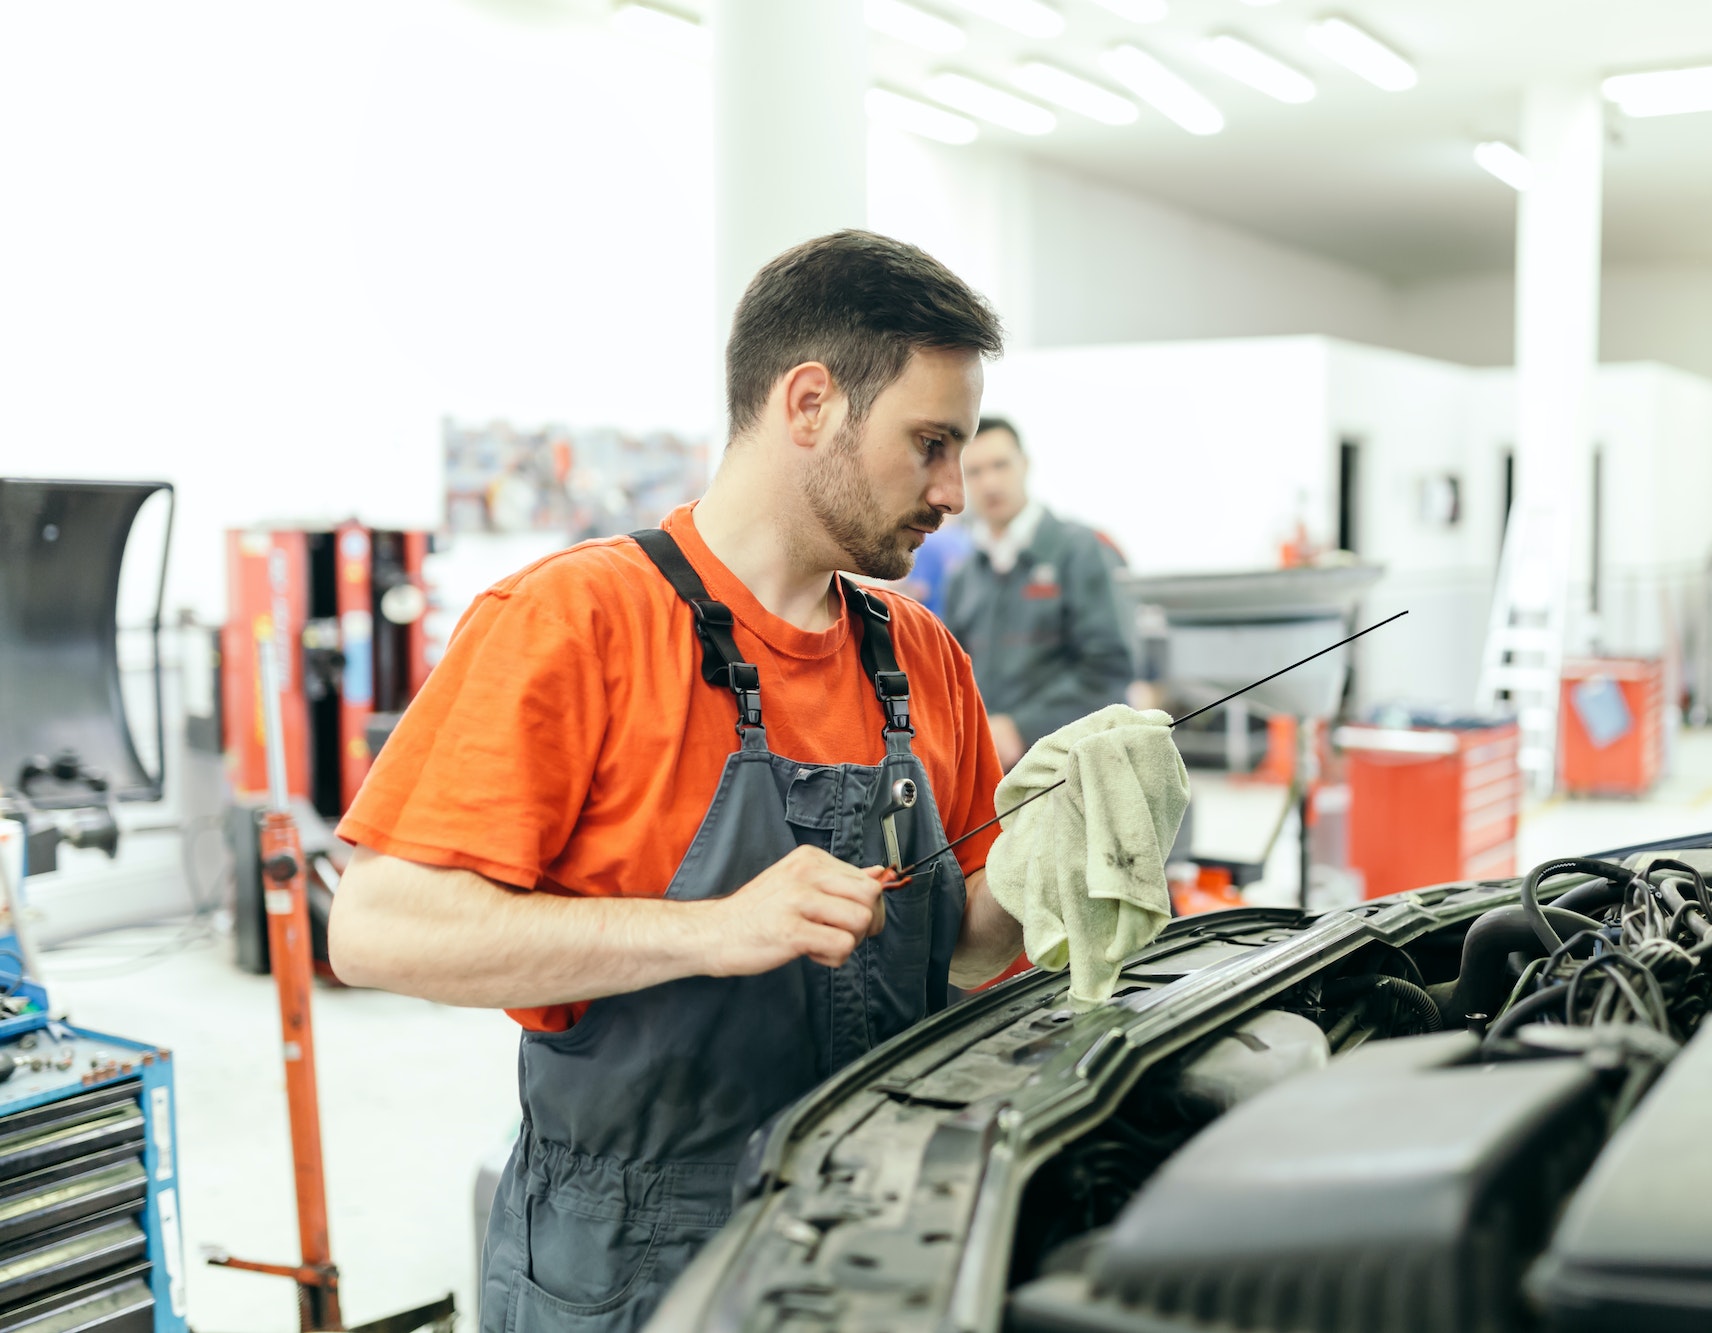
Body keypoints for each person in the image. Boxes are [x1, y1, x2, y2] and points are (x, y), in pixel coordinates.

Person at [325, 230, 1025, 1329]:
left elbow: (976, 948)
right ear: (809, 404)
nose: (952, 488)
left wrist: (1060, 852)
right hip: (629, 1256)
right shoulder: (575, 621)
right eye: (928, 442)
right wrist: (709, 929)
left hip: (881, 1232)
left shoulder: (920, 656)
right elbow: (376, 929)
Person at [944, 418, 1135, 768]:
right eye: (974, 471)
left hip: (1071, 771)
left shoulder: (1079, 552)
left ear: (1025, 465)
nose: (989, 482)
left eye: (1000, 465)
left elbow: (1108, 668)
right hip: (991, 773)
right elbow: (949, 679)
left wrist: (1021, 728)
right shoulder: (965, 576)